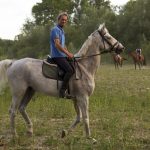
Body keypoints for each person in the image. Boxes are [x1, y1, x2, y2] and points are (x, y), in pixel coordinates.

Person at [50, 12, 74, 98]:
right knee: (70, 70)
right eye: (62, 19)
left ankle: (72, 89)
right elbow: (57, 44)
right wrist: (67, 53)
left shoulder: (62, 30)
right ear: (58, 20)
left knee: (74, 65)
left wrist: (68, 53)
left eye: (65, 20)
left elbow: (63, 45)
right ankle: (62, 91)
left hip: (62, 55)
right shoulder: (55, 30)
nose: (64, 21)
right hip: (57, 56)